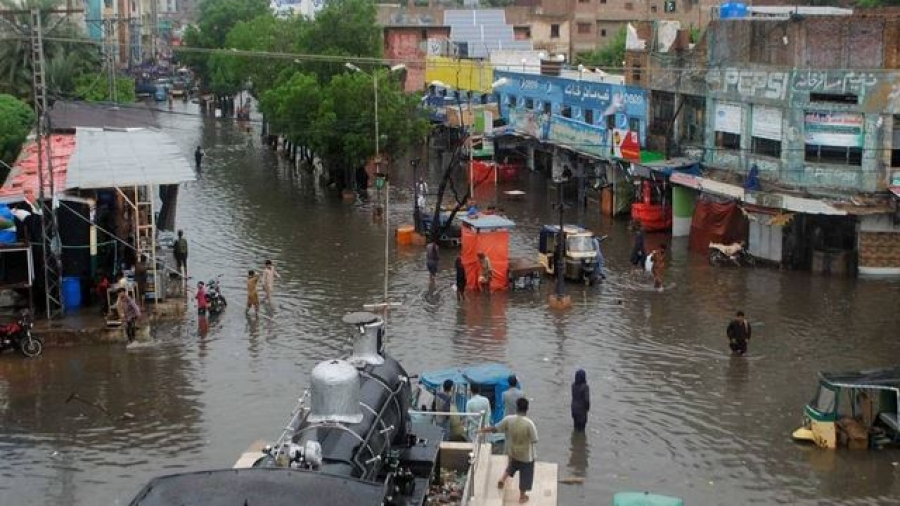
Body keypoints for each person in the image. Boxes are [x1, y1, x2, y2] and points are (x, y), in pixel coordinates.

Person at [479, 397, 539, 504]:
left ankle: (502, 479)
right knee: (526, 475)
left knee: (512, 466)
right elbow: (535, 440)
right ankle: (522, 496)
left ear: (517, 407)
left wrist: (482, 430)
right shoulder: (529, 424)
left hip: (513, 451)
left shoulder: (509, 419)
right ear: (527, 409)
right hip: (526, 455)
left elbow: (495, 428)